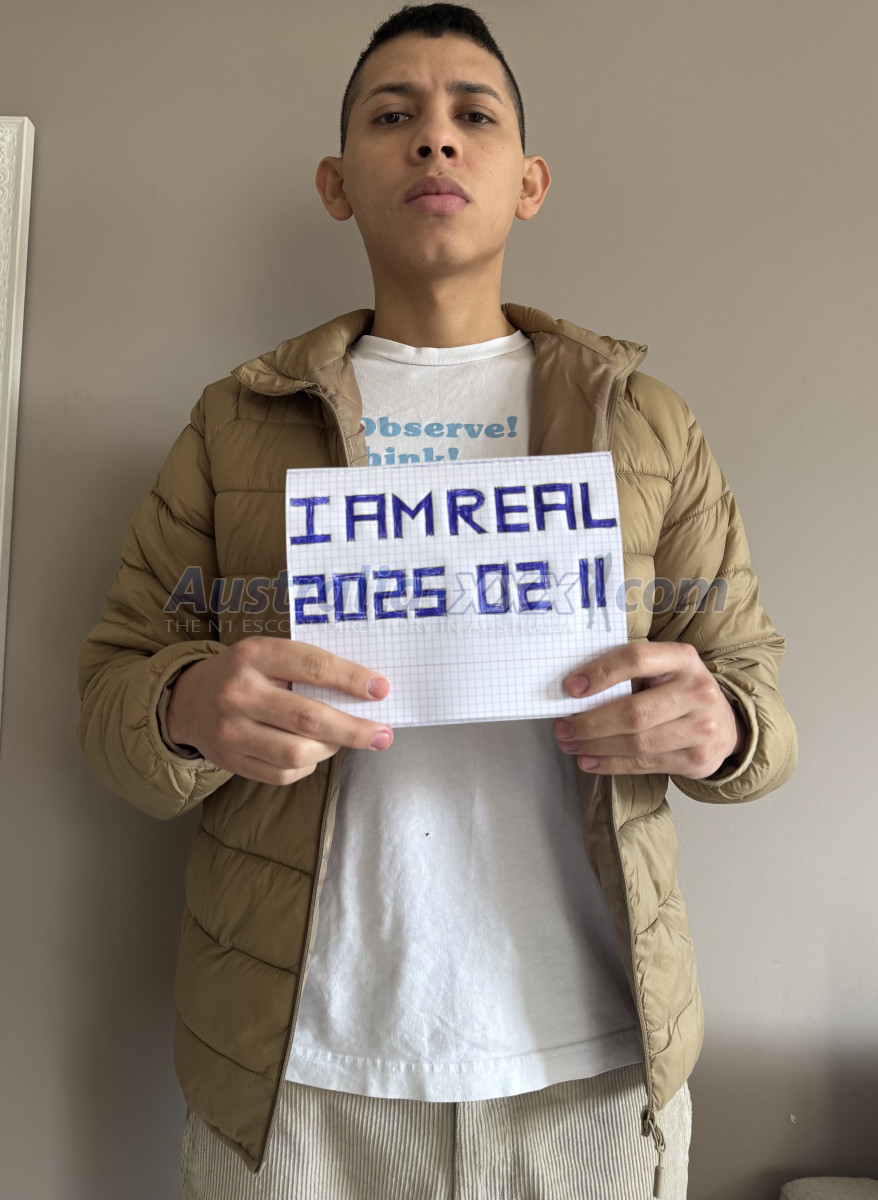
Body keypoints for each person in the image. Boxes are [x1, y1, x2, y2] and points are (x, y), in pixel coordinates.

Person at [77, 4, 797, 1198]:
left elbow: (755, 695)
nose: (434, 139)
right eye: (391, 115)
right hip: (298, 1081)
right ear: (336, 182)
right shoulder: (233, 423)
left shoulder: (646, 424)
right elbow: (110, 693)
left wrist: (719, 726)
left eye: (473, 115)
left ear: (528, 181)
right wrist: (186, 707)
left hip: (591, 1078)